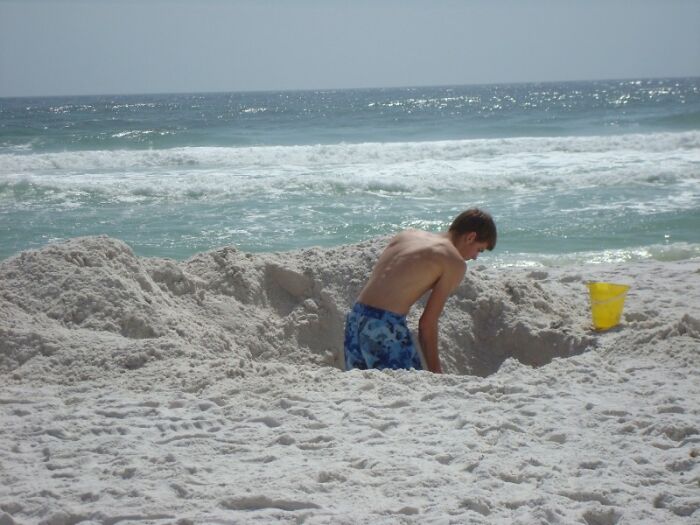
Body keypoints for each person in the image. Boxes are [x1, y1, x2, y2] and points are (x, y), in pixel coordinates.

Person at [344, 208, 496, 374]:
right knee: (406, 393)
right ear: (471, 237)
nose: (475, 257)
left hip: (355, 319)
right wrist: (436, 373)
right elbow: (426, 324)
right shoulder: (454, 261)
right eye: (479, 250)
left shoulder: (408, 235)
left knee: (366, 390)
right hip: (384, 326)